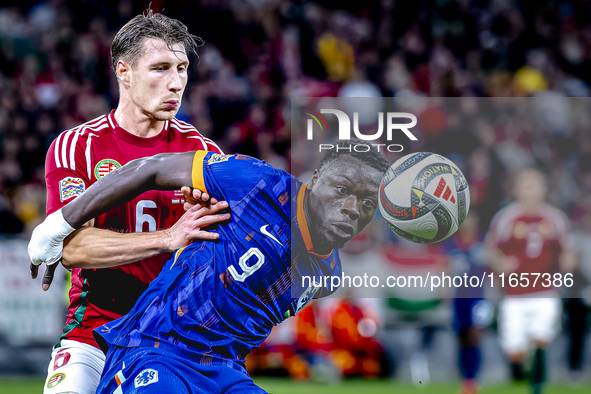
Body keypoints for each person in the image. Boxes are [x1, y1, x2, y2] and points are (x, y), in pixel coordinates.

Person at [29, 140, 389, 393]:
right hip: (155, 349)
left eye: (367, 202)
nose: (353, 208)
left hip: (225, 372)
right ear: (315, 183)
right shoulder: (258, 183)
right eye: (342, 189)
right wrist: (60, 223)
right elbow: (151, 167)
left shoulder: (327, 275)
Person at [33, 10, 224, 394]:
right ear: (124, 72)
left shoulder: (204, 153)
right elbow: (73, 248)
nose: (176, 83)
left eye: (182, 68)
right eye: (161, 68)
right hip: (94, 333)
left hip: (174, 340)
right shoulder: (78, 147)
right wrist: (168, 237)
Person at [486, 169, 574, 394]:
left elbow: (567, 252)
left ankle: (538, 386)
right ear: (516, 189)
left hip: (545, 291)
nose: (531, 190)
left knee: (540, 337)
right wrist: (500, 264)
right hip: (514, 295)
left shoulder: (555, 219)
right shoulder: (505, 218)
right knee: (515, 352)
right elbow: (491, 252)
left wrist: (567, 263)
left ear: (544, 189)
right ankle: (527, 367)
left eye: (535, 185)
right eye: (526, 185)